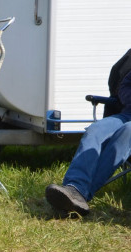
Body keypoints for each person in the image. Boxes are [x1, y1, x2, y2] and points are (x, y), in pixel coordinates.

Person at [45, 68, 131, 216]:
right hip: (127, 114)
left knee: (127, 132)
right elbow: (125, 86)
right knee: (95, 130)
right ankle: (74, 187)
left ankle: (79, 195)